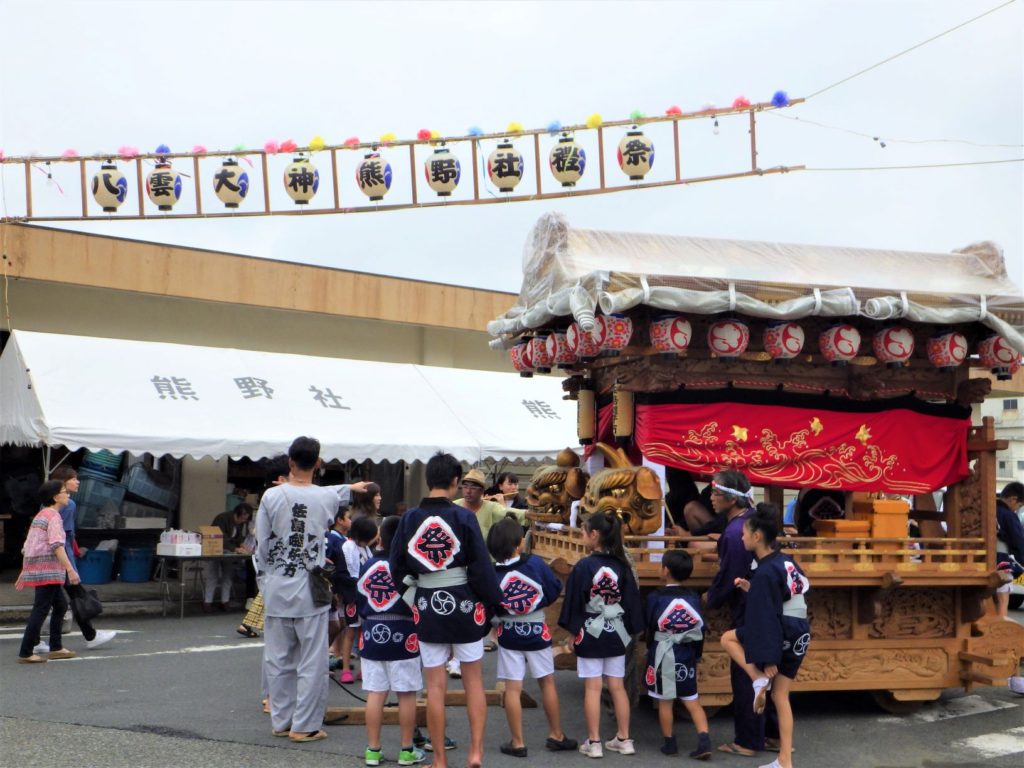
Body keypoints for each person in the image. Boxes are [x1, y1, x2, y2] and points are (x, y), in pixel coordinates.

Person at [389, 452, 503, 768]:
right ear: (454, 482)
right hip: (464, 603)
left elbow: (394, 565)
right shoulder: (464, 518)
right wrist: (492, 603)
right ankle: (475, 753)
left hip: (427, 603)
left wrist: (412, 595)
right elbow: (481, 567)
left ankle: (439, 760)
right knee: (474, 682)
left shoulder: (410, 518)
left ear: (429, 481)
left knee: (435, 687)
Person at [255, 436, 370, 743]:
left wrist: (265, 580)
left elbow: (261, 545)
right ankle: (304, 724)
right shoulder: (325, 498)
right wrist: (356, 488)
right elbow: (337, 494)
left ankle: (281, 720)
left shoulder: (270, 497)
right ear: (318, 463)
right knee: (311, 662)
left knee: (278, 659)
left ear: (290, 462)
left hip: (277, 586)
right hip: (311, 589)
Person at [720, 503, 812, 768]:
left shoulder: (763, 571)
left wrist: (768, 659)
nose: (741, 537)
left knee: (728, 639)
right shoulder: (785, 561)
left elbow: (766, 619)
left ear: (757, 536)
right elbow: (790, 593)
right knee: (780, 697)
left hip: (781, 628)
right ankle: (785, 759)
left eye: (745, 533)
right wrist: (754, 589)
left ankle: (757, 678)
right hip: (800, 630)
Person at [488, 515, 576, 757]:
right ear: (519, 543)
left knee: (513, 688)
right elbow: (553, 589)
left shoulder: (491, 573)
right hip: (537, 629)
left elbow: (489, 604)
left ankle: (518, 742)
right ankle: (556, 734)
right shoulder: (534, 565)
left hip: (508, 632)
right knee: (546, 681)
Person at [558, 511, 643, 758]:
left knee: (593, 687)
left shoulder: (584, 566)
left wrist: (573, 633)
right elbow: (632, 602)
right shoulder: (623, 565)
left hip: (590, 630)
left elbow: (574, 602)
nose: (583, 536)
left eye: (584, 532)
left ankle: (594, 742)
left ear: (594, 535)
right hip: (616, 630)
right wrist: (631, 628)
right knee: (617, 686)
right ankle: (624, 739)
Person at [702, 469, 763, 758]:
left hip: (748, 610)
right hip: (763, 606)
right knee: (764, 673)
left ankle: (748, 742)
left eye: (716, 493)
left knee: (745, 675)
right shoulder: (751, 522)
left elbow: (731, 575)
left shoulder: (735, 532)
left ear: (732, 499)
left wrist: (710, 598)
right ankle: (769, 734)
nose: (711, 498)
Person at [356, 516, 425, 767]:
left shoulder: (368, 565)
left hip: (373, 630)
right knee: (406, 694)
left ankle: (373, 750)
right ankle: (407, 750)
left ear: (380, 538)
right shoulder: (407, 566)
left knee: (376, 693)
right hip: (404, 633)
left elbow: (359, 597)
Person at [33, 466, 116, 654]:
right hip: (60, 559)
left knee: (53, 601)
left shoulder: (45, 504)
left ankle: (42, 641)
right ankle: (89, 636)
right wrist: (70, 565)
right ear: (64, 482)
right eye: (74, 479)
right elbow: (65, 537)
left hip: (45, 558)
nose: (78, 482)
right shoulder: (68, 505)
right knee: (73, 597)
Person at [644, 549, 711, 759]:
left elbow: (649, 627)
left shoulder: (655, 597)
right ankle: (704, 741)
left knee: (665, 701)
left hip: (662, 652)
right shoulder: (693, 597)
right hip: (687, 652)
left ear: (665, 570)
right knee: (692, 700)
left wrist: (649, 649)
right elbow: (699, 631)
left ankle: (670, 743)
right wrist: (697, 655)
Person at [16, 481, 80, 663]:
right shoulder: (53, 517)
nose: (67, 494)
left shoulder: (41, 515)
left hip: (40, 568)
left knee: (60, 605)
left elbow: (28, 544)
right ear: (55, 497)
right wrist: (70, 570)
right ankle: (26, 651)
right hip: (48, 570)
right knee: (41, 608)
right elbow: (57, 546)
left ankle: (56, 646)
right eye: (64, 492)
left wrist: (26, 568)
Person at [238, 454, 289, 641]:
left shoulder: (269, 499)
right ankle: (249, 624)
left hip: (268, 558)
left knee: (265, 594)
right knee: (267, 594)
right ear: (282, 479)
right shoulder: (274, 500)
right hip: (273, 558)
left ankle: (249, 623)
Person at [337, 515, 378, 683]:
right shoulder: (349, 546)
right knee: (351, 631)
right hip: (352, 594)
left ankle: (363, 668)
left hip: (365, 594)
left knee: (363, 632)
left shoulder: (366, 549)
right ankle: (346, 668)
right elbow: (348, 570)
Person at [203, 502, 254, 612]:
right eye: (243, 518)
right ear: (238, 514)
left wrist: (241, 544)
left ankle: (224, 601)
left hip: (229, 551)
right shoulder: (222, 518)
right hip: (215, 549)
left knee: (228, 575)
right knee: (213, 575)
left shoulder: (240, 523)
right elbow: (221, 538)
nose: (244, 521)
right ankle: (208, 602)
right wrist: (235, 548)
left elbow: (238, 536)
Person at [995, 482, 1024, 619]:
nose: (1017, 509)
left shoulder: (986, 509)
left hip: (981, 558)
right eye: (1019, 506)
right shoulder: (1008, 515)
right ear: (1013, 499)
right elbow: (1018, 541)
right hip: (1002, 561)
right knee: (1003, 599)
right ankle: (1001, 628)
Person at [325, 507, 352, 656]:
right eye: (348, 517)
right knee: (334, 626)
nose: (351, 521)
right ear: (339, 520)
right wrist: (333, 590)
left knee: (340, 624)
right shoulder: (331, 539)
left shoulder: (342, 539)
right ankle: (324, 657)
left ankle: (331, 655)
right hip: (332, 589)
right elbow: (328, 566)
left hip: (340, 588)